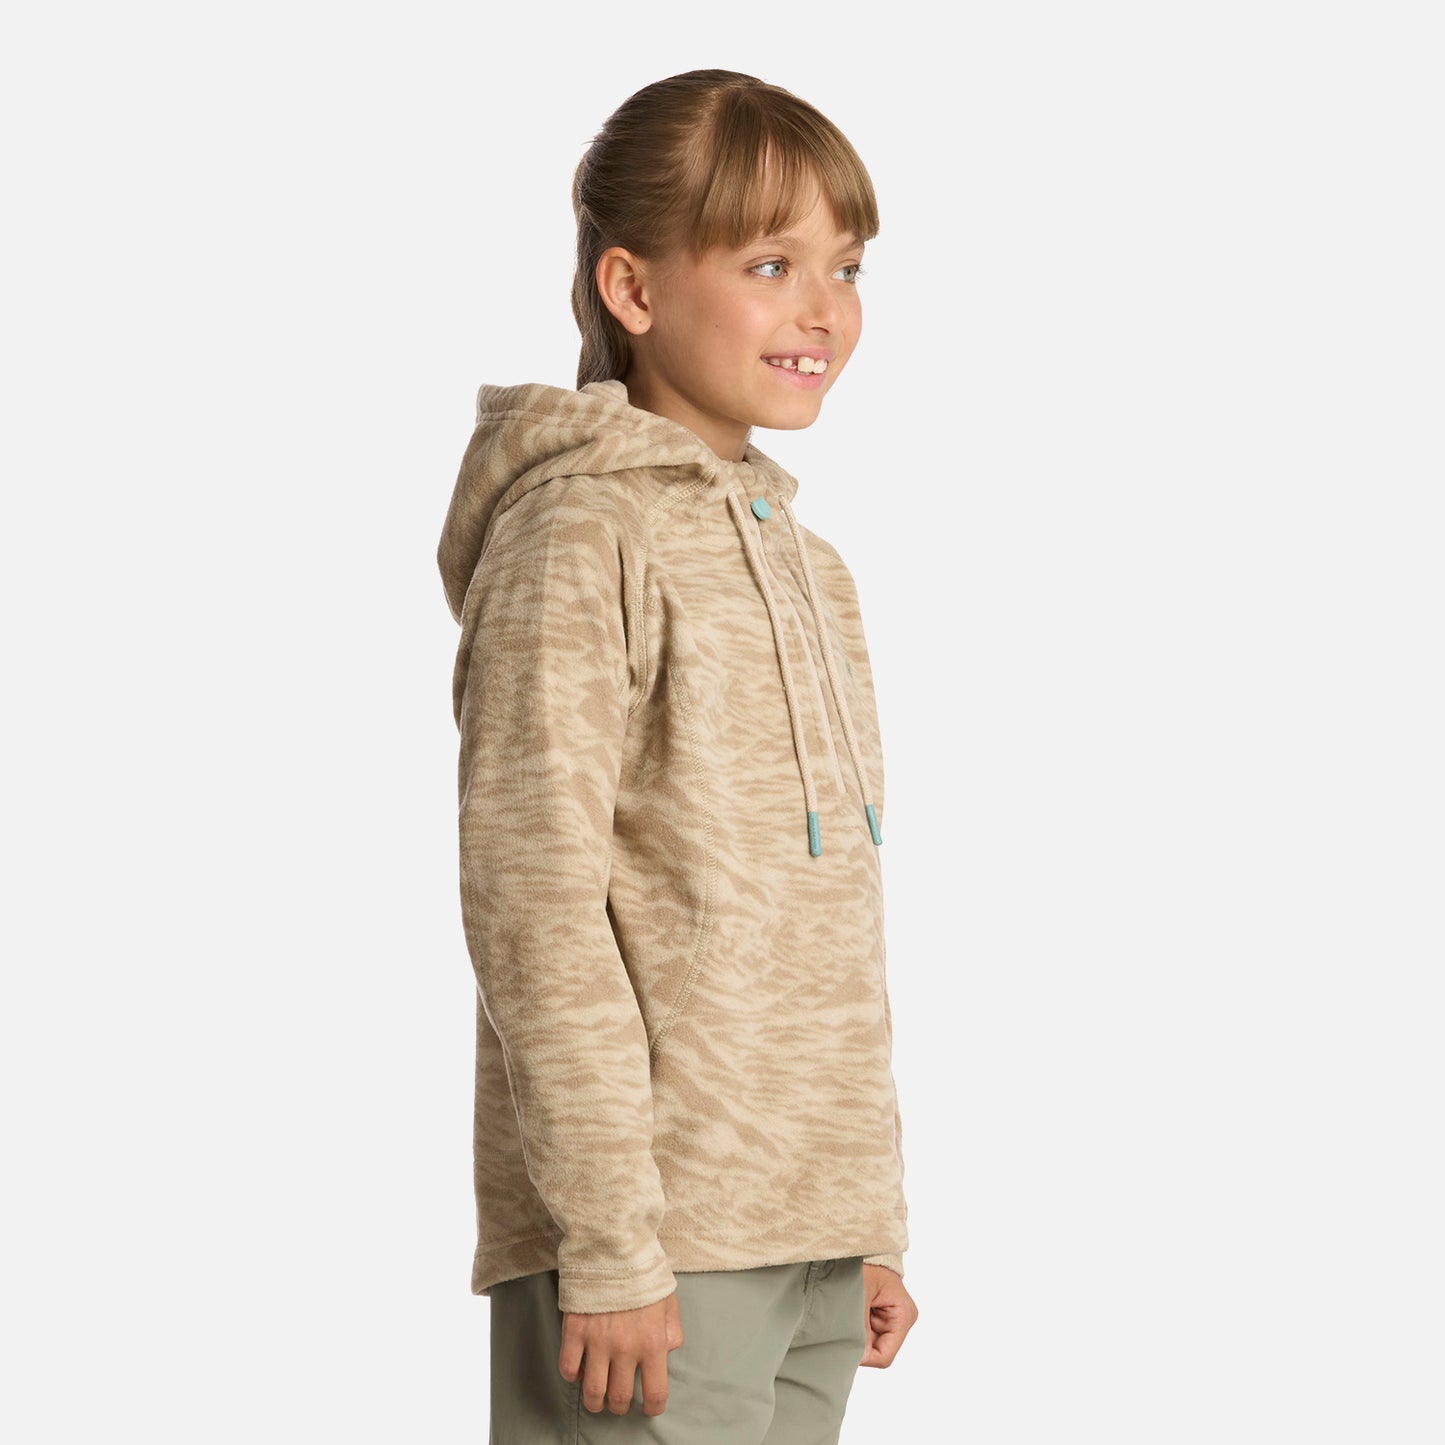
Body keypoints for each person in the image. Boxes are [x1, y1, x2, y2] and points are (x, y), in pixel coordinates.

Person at [437, 68, 919, 1442]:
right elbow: (534, 903)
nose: (823, 309)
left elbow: (827, 927)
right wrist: (606, 1242)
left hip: (804, 1239)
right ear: (633, 289)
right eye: (770, 264)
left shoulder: (813, 568)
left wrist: (862, 1218)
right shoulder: (576, 537)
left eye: (846, 267)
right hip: (649, 1255)